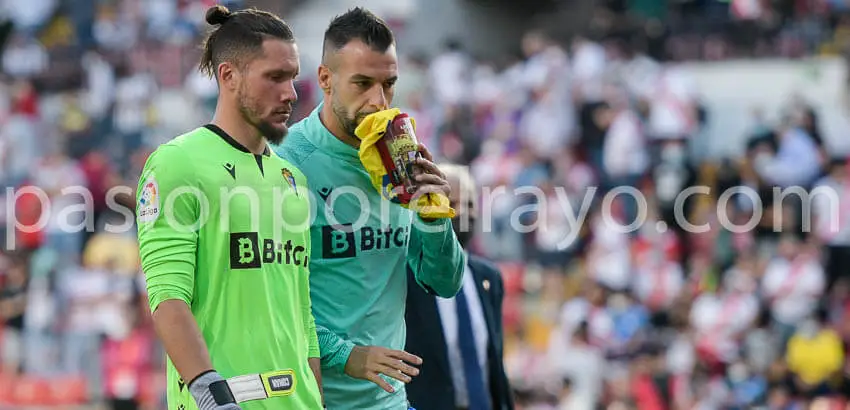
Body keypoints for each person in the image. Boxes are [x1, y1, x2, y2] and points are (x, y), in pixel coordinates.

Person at [274, 7, 465, 410]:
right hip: (313, 400)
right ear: (325, 79)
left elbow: (445, 283)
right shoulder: (286, 164)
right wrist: (346, 355)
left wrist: (434, 216)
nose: (378, 101)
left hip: (390, 401)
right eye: (362, 83)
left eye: (388, 84)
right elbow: (272, 305)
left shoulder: (399, 156)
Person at [137, 5, 322, 410]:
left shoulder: (293, 179)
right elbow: (167, 298)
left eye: (292, 77)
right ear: (229, 76)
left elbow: (302, 312)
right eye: (274, 77)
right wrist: (210, 394)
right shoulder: (177, 162)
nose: (290, 93)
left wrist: (317, 398)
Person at [404, 164, 514, 410]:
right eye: (452, 202)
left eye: (470, 204)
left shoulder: (489, 277)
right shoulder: (409, 273)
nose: (463, 212)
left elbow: (493, 357)